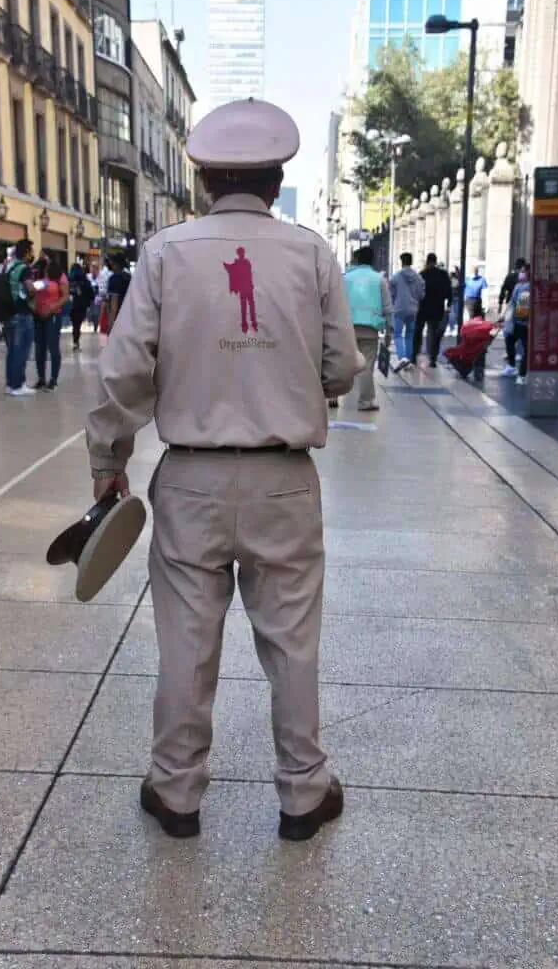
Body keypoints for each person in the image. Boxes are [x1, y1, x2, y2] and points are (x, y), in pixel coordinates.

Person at [85, 97, 363, 842]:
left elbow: (123, 375)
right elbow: (342, 364)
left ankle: (176, 793)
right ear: (276, 181)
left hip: (190, 478)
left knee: (185, 641)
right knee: (291, 641)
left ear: (203, 179)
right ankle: (303, 793)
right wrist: (290, 383)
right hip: (283, 478)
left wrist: (107, 462)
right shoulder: (310, 252)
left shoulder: (167, 252)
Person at [341, 244, 392, 411]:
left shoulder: (345, 278)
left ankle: (334, 396)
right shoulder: (379, 279)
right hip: (370, 327)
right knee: (366, 365)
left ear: (356, 259)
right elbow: (387, 307)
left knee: (345, 361)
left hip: (347, 326)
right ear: (373, 260)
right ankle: (365, 401)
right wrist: (389, 330)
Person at [33, 251, 69, 390]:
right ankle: (41, 378)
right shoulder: (37, 272)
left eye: (44, 255)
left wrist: (53, 307)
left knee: (53, 347)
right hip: (38, 316)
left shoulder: (59, 275)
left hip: (53, 315)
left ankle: (53, 379)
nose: (42, 257)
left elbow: (65, 296)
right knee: (39, 348)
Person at [6, 238, 37, 396]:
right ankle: (18, 385)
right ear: (26, 252)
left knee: (12, 350)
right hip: (23, 313)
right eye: (31, 251)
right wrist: (36, 290)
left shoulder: (9, 266)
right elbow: (30, 289)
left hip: (9, 312)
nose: (33, 254)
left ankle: (10, 384)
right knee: (22, 350)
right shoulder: (24, 268)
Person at [413, 252, 452, 367]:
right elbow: (448, 291)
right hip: (437, 307)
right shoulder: (443, 275)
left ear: (427, 261)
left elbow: (417, 292)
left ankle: (414, 355)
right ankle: (433, 358)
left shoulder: (422, 274)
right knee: (434, 333)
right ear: (435, 261)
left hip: (423, 307)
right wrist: (448, 302)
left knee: (418, 332)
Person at [389, 251, 424, 370]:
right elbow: (421, 295)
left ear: (402, 262)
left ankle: (402, 358)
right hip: (413, 309)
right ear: (411, 262)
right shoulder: (418, 277)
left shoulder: (396, 277)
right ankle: (408, 360)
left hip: (399, 309)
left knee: (397, 334)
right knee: (410, 335)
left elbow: (391, 294)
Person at [459, 299, 496, 381]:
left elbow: (462, 335)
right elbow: (492, 333)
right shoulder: (486, 325)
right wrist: (487, 342)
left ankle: (465, 371)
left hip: (469, 349)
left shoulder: (467, 324)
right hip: (481, 348)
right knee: (481, 355)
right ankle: (479, 373)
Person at [509, 264, 531, 385]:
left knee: (525, 348)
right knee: (528, 349)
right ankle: (522, 374)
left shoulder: (520, 286)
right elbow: (522, 310)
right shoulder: (526, 287)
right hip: (525, 323)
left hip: (519, 323)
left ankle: (521, 373)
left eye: (523, 271)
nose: (521, 273)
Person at [68, 258, 94, 351]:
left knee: (75, 324)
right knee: (77, 325)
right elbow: (91, 293)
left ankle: (75, 341)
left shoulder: (69, 280)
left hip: (71, 305)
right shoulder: (85, 280)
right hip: (82, 306)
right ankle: (76, 342)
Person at [103, 252, 131, 334]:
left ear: (116, 264)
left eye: (111, 262)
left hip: (117, 318)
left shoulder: (114, 279)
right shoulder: (128, 277)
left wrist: (110, 324)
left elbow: (114, 304)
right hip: (129, 316)